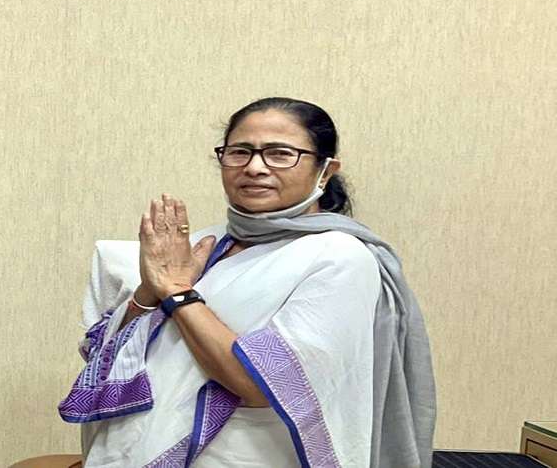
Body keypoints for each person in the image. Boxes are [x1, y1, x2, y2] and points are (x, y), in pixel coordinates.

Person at [59, 97, 435, 467]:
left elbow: (261, 384)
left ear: (326, 169)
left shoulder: (339, 257)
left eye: (280, 153)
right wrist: (149, 290)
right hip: (132, 448)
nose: (255, 167)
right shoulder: (200, 245)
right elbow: (104, 359)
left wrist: (177, 292)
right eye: (240, 152)